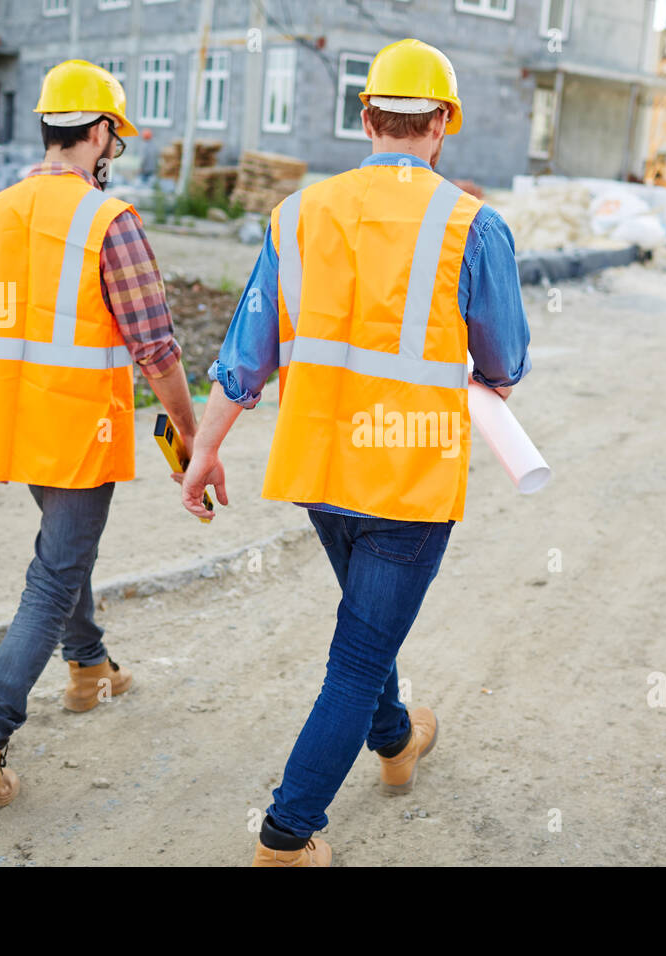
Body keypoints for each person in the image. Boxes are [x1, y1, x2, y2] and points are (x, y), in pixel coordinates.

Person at [178, 38, 530, 866]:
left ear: (365, 117)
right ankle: (286, 835)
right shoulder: (473, 224)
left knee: (369, 630)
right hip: (406, 479)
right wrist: (486, 376)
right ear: (441, 124)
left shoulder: (297, 214)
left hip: (320, 468)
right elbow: (504, 362)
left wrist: (202, 452)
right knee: (360, 653)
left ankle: (399, 743)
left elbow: (246, 354)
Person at [0, 60, 200, 807]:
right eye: (116, 133)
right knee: (53, 576)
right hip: (82, 433)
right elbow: (156, 348)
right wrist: (189, 434)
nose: (116, 147)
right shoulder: (107, 222)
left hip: (20, 429)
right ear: (100, 132)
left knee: (63, 552)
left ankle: (90, 671)